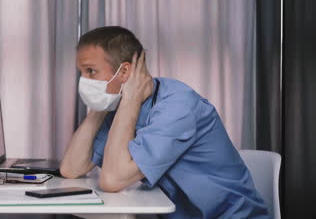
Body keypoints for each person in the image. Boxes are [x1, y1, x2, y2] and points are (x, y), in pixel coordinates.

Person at [60, 26, 270, 219]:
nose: (84, 81)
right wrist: (99, 107)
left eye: (91, 71)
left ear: (124, 72)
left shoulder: (178, 107)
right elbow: (72, 168)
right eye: (82, 73)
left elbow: (112, 180)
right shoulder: (121, 109)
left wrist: (130, 102)